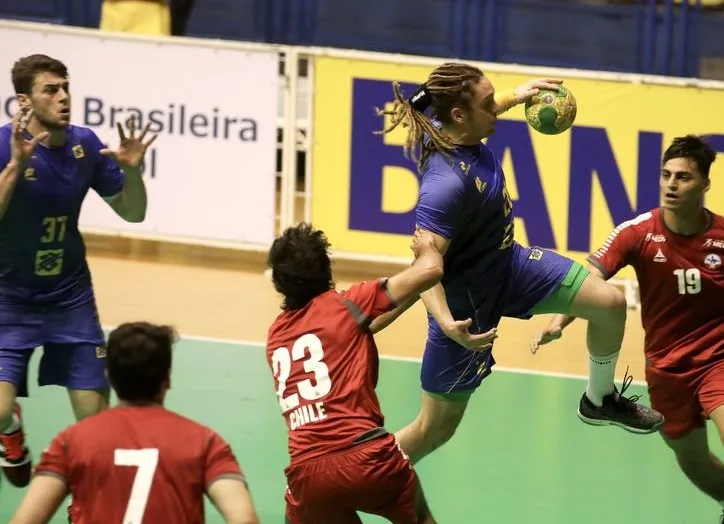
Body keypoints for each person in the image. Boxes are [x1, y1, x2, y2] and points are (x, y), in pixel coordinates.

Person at [375, 62, 664, 466]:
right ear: (459, 115)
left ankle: (599, 399)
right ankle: (354, 477)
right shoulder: (445, 185)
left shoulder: (460, 132)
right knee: (433, 430)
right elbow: (424, 267)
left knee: (610, 304)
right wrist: (445, 323)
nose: (499, 105)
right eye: (490, 102)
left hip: (509, 266)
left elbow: (487, 109)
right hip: (467, 309)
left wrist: (520, 93)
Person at [534, 135, 724, 524]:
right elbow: (590, 277)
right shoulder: (638, 232)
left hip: (719, 362)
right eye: (666, 175)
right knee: (690, 457)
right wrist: (560, 318)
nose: (672, 184)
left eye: (684, 177)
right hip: (665, 368)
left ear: (704, 185)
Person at [0, 54, 154, 488]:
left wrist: (132, 173)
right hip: (8, 300)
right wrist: (15, 165)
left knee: (95, 426)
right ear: (24, 101)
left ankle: (84, 509)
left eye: (65, 87)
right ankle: (9, 431)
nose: (65, 97)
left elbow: (134, 213)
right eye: (51, 89)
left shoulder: (84, 145)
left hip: (70, 299)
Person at [265, 223, 442, 523]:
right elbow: (431, 270)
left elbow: (364, 324)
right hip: (368, 460)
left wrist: (412, 288)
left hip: (308, 478)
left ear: (280, 283)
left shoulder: (276, 335)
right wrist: (428, 249)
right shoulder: (349, 304)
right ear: (326, 266)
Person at [9, 321, 259, 524]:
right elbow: (244, 520)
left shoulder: (71, 441)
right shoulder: (205, 442)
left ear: (109, 376)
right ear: (167, 379)